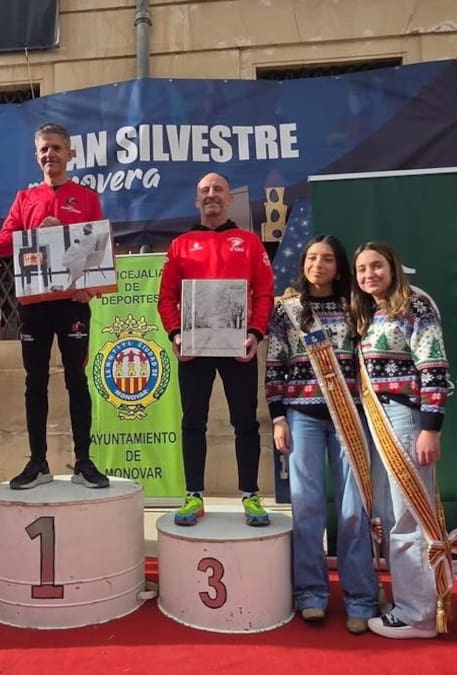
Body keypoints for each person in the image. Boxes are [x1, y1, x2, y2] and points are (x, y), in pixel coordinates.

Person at [266, 234, 378, 634]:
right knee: (307, 506)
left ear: (339, 266)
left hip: (350, 416)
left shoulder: (357, 306)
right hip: (303, 416)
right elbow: (275, 364)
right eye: (312, 258)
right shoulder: (288, 310)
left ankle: (361, 598)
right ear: (303, 263)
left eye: (327, 259)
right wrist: (278, 417)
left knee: (353, 511)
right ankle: (311, 594)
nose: (318, 265)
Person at [0, 122, 110, 490]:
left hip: (72, 304)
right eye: (44, 149)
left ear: (69, 154)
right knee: (35, 382)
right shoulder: (25, 199)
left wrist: (89, 288)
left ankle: (83, 462)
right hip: (35, 305)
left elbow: (99, 249)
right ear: (36, 156)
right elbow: (0, 246)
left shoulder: (86, 197)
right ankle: (38, 462)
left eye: (56, 148)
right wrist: (34, 234)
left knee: (77, 380)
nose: (50, 155)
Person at [351, 242, 456, 640]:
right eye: (362, 269)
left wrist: (431, 426)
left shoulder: (415, 306)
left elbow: (434, 366)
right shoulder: (370, 312)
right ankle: (410, 601)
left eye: (376, 266)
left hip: (406, 416)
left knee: (409, 513)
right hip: (377, 417)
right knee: (392, 513)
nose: (369, 275)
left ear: (393, 267)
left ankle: (419, 614)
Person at [158, 171, 275, 526]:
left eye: (218, 189)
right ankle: (193, 496)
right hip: (194, 347)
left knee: (246, 422)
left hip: (238, 345)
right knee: (193, 421)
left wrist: (255, 333)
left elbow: (265, 293)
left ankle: (250, 496)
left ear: (229, 198)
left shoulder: (249, 242)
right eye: (205, 190)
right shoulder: (180, 244)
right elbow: (167, 297)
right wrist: (175, 334)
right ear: (197, 200)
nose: (211, 194)